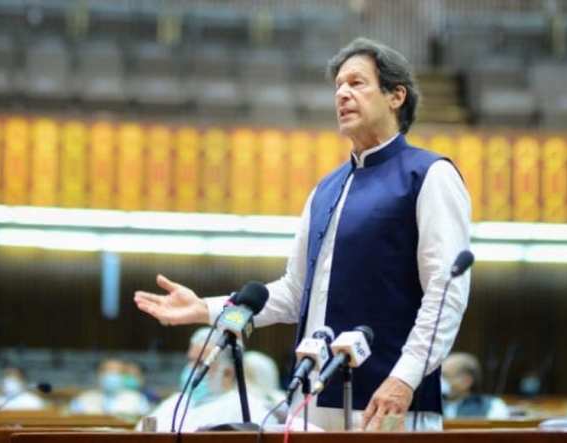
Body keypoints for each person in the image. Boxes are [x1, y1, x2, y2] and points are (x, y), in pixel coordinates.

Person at [135, 37, 471, 431]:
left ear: (396, 96)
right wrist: (207, 310)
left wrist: (405, 378)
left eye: (357, 83)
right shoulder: (325, 190)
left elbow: (447, 293)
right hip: (311, 404)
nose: (342, 94)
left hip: (390, 406)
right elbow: (295, 292)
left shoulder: (429, 175)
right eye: (338, 87)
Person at [142, 327, 274, 431]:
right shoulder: (175, 403)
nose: (190, 369)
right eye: (190, 361)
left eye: (200, 363)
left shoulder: (250, 410)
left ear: (227, 373)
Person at [69, 358, 150, 416]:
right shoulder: (82, 399)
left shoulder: (138, 400)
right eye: (108, 370)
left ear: (124, 376)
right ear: (98, 374)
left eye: (118, 371)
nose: (112, 374)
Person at [441, 352, 509, 419]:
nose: (441, 381)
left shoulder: (494, 406)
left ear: (466, 381)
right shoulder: (435, 404)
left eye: (446, 376)